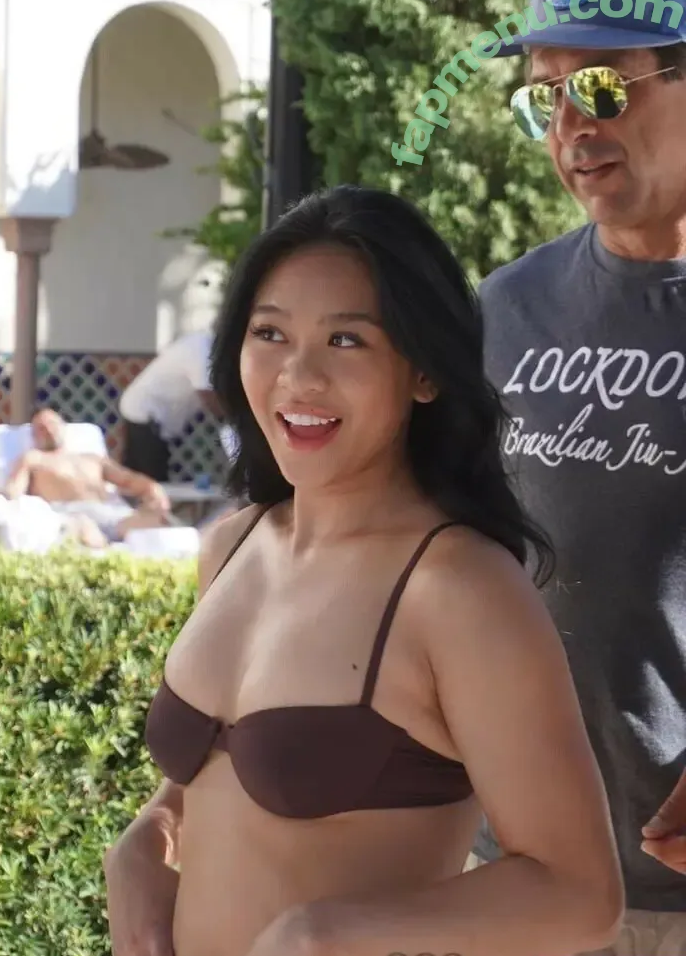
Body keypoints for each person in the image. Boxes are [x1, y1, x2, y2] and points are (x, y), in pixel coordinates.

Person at [103, 185, 623, 956]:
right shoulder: (234, 544)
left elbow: (581, 894)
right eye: (269, 332)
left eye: (346, 340)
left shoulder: (459, 588)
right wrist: (146, 839)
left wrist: (328, 930)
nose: (298, 375)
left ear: (424, 371)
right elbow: (215, 774)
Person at [474, 0, 686, 952]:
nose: (569, 128)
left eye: (599, 85)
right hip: (517, 872)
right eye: (543, 97)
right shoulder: (504, 308)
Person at [4, 408, 172, 546]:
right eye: (41, 428)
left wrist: (154, 489)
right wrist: (15, 507)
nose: (48, 430)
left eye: (52, 424)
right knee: (88, 533)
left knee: (158, 525)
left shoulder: (93, 459)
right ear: (34, 437)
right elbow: (14, 489)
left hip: (110, 513)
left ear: (63, 427)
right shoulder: (33, 458)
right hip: (69, 515)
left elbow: (128, 480)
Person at [119, 330, 228, 482]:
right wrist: (232, 418)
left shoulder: (202, 344)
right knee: (152, 478)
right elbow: (207, 394)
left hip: (149, 414)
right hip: (145, 413)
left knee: (136, 475)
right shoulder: (200, 349)